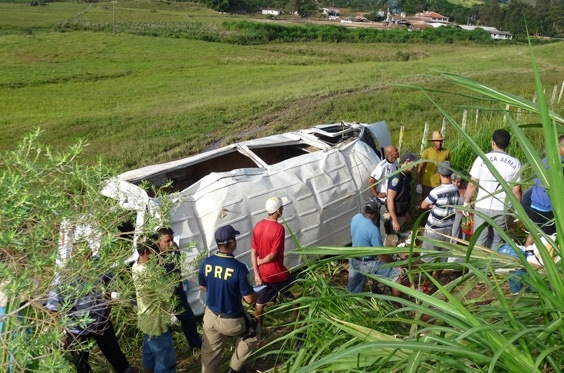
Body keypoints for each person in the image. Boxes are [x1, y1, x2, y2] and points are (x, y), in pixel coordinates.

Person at [46, 243, 138, 373]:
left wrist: (107, 304)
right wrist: (61, 331)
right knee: (81, 363)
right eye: (83, 257)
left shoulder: (98, 264)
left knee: (114, 352)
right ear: (74, 257)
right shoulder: (64, 276)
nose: (87, 261)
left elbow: (110, 281)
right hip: (76, 328)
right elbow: (53, 308)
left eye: (88, 256)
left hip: (100, 320)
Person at [198, 225, 258, 373]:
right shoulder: (239, 268)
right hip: (231, 321)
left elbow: (203, 287)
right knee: (253, 330)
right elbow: (249, 299)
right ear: (232, 243)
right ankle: (234, 369)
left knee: (210, 352)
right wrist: (257, 294)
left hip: (210, 317)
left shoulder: (206, 262)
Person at [463, 129, 522, 250]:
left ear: (493, 142)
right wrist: (518, 209)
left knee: (479, 240)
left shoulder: (482, 159)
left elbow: (472, 184)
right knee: (496, 240)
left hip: (482, 206)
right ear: (508, 144)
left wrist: (466, 202)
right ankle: (491, 267)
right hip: (502, 208)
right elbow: (516, 190)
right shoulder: (515, 163)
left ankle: (474, 268)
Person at [251, 196, 299, 326]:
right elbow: (272, 255)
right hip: (276, 273)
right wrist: (260, 262)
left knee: (260, 303)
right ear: (278, 210)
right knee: (297, 292)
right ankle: (299, 324)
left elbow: (253, 251)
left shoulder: (258, 225)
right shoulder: (279, 228)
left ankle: (258, 330)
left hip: (263, 274)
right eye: (282, 207)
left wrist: (256, 273)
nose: (283, 209)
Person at [132, 239, 177, 373]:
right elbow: (168, 292)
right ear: (146, 252)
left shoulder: (136, 266)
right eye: (155, 251)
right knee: (165, 361)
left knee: (149, 353)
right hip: (157, 322)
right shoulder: (151, 273)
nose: (157, 253)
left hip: (146, 319)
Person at [155, 227, 202, 351]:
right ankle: (169, 351)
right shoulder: (153, 257)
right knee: (165, 327)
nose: (171, 243)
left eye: (171, 239)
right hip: (163, 298)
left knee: (189, 320)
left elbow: (177, 267)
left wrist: (180, 285)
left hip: (177, 293)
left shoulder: (174, 248)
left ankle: (196, 346)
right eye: (167, 241)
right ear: (158, 242)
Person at [347, 196, 402, 297]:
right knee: (396, 274)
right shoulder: (373, 229)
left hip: (354, 259)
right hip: (366, 264)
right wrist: (394, 264)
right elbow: (382, 255)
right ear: (377, 211)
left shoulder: (356, 217)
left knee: (353, 289)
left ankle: (349, 306)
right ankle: (397, 305)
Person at [420, 161, 461, 279]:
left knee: (428, 257)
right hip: (449, 228)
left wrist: (433, 206)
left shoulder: (436, 191)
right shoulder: (455, 189)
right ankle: (436, 278)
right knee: (443, 256)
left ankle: (426, 280)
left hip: (434, 229)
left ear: (440, 174)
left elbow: (423, 205)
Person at [523, 135, 564, 246]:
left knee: (535, 234)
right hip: (545, 206)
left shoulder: (547, 160)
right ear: (558, 147)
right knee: (544, 236)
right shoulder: (558, 163)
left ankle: (529, 256)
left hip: (538, 204)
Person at [385, 152, 420, 246]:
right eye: (414, 163)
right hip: (394, 214)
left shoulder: (408, 176)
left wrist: (406, 212)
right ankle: (389, 258)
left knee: (397, 237)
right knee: (391, 240)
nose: (415, 165)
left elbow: (405, 195)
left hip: (402, 212)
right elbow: (390, 199)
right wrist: (395, 220)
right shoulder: (397, 177)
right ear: (407, 162)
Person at [368, 145, 400, 240]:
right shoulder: (382, 166)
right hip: (384, 200)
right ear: (390, 154)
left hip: (393, 197)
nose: (398, 151)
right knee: (384, 224)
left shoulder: (395, 162)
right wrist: (377, 194)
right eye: (396, 150)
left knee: (391, 222)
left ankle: (391, 239)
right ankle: (381, 244)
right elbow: (371, 181)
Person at [416, 131, 451, 202]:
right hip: (428, 183)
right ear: (433, 142)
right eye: (437, 141)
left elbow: (448, 167)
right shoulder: (427, 152)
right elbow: (420, 167)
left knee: (438, 204)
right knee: (425, 205)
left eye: (441, 141)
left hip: (440, 184)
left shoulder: (446, 152)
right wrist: (418, 183)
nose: (439, 143)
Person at [450, 173, 468, 240]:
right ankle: (452, 244)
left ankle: (462, 242)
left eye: (458, 182)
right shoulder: (451, 189)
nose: (456, 184)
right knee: (455, 228)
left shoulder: (465, 187)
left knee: (465, 229)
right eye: (454, 181)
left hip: (465, 210)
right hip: (455, 211)